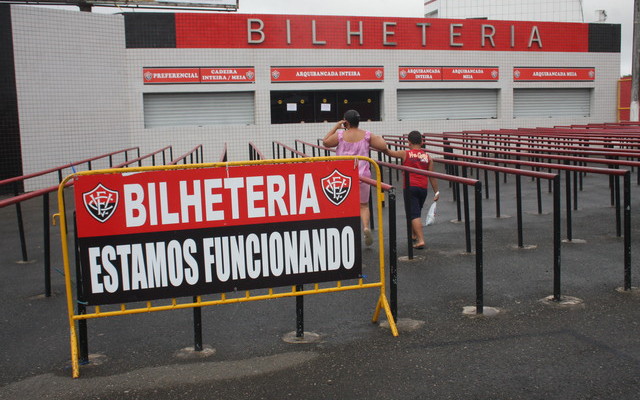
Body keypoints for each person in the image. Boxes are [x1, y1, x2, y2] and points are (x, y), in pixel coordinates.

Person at [322, 109, 389, 246]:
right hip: (363, 175)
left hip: (342, 176)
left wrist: (336, 126)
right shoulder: (366, 135)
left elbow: (326, 142)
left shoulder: (340, 135)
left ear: (345, 122)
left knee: (342, 204)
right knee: (363, 205)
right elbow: (383, 145)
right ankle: (365, 227)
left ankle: (344, 232)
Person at [386, 130, 440, 249]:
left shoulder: (405, 153)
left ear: (409, 142)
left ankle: (420, 240)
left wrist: (380, 145)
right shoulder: (428, 157)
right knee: (416, 211)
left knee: (413, 213)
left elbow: (389, 152)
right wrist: (436, 191)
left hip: (410, 187)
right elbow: (432, 176)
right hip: (423, 189)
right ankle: (414, 235)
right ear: (422, 142)